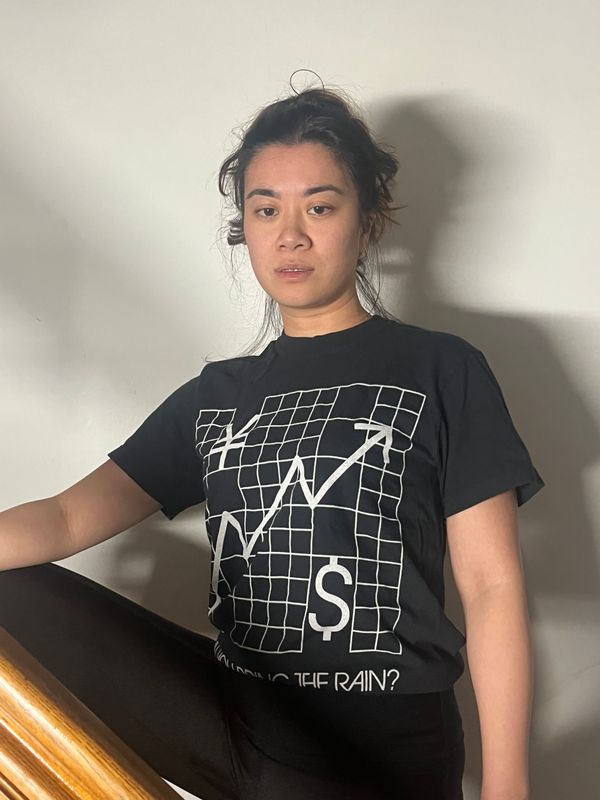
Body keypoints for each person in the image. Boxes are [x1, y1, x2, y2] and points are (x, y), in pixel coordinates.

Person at [0, 78, 544, 800]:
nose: (291, 234)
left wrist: (508, 789)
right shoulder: (216, 396)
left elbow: (492, 585)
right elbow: (68, 518)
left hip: (377, 748)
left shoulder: (441, 369)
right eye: (266, 209)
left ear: (367, 220)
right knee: (11, 596)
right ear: (246, 229)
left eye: (320, 206)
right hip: (241, 721)